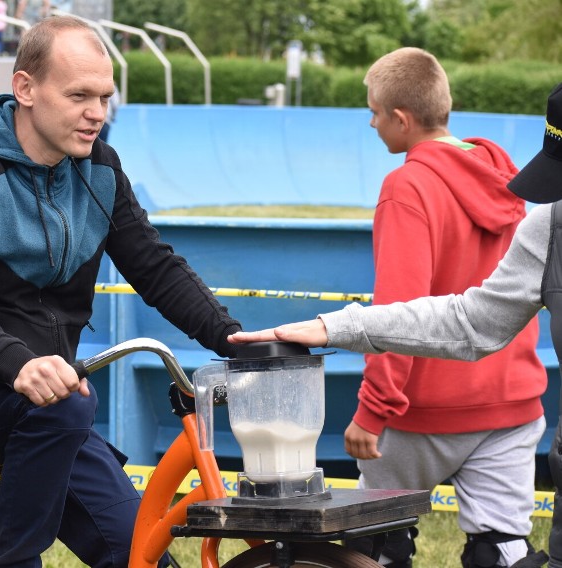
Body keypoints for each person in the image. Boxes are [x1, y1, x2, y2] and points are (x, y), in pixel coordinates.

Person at [0, 15, 242, 568]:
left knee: (145, 556)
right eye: (79, 95)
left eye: (104, 96)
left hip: (50, 402)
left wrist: (234, 337)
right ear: (25, 88)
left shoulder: (100, 169)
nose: (97, 113)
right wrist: (20, 364)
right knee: (64, 407)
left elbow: (154, 266)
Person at [228, 82, 562, 568]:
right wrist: (333, 327)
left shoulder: (407, 185)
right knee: (501, 551)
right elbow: (473, 319)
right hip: (512, 403)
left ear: (401, 118)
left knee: (380, 543)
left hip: (422, 412)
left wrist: (375, 406)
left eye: (374, 111)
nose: (369, 122)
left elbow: (402, 292)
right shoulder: (542, 215)